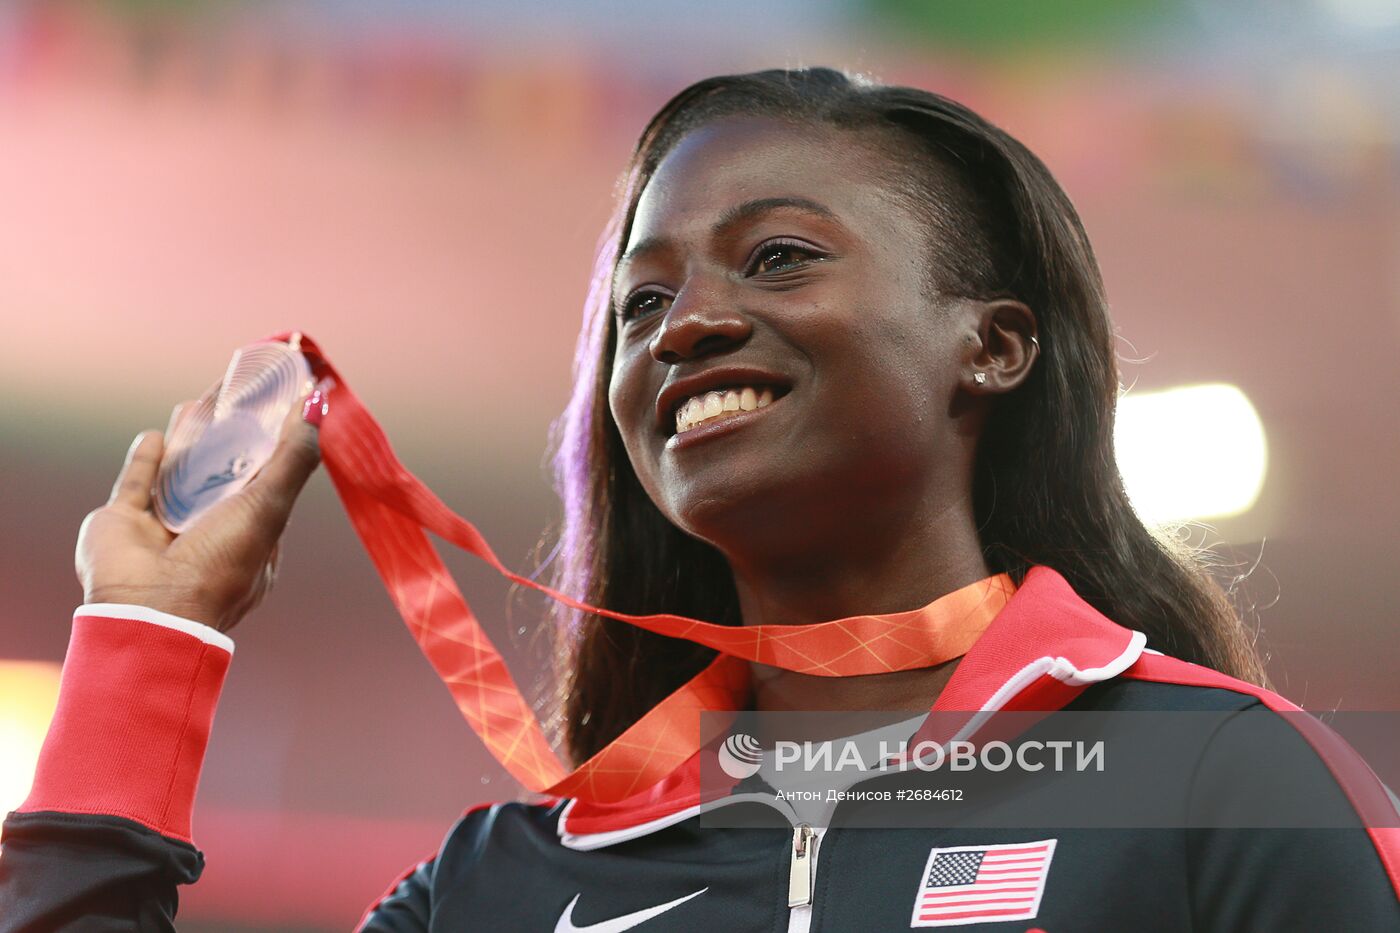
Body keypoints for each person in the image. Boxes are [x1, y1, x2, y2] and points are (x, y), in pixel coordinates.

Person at [1, 67, 1397, 932]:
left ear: (994, 345)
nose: (683, 327)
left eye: (779, 258)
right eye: (645, 299)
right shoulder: (516, 882)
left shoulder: (1214, 782)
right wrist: (146, 635)